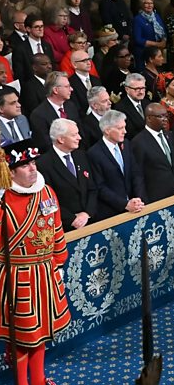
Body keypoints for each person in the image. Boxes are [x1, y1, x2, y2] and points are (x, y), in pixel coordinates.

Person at [0, 139, 71, 385]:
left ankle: (38, 379)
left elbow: (56, 227)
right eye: (25, 165)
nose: (32, 168)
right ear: (10, 171)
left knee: (40, 334)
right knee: (23, 336)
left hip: (45, 272)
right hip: (17, 276)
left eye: (33, 162)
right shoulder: (3, 201)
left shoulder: (47, 191)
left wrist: (60, 260)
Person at [36, 118, 97, 231]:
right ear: (61, 139)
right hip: (66, 227)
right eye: (74, 135)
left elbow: (92, 188)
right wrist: (73, 219)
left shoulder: (81, 156)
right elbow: (47, 201)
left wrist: (87, 214)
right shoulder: (43, 164)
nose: (79, 137)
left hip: (90, 220)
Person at [132, 103, 174, 203]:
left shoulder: (169, 135)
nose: (165, 119)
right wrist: (144, 201)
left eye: (166, 115)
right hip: (156, 198)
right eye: (160, 116)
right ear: (149, 118)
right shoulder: (138, 142)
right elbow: (138, 175)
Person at [29, 71, 83, 153]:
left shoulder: (71, 106)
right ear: (56, 90)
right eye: (67, 86)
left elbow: (81, 133)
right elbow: (45, 144)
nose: (71, 89)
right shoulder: (38, 115)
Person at [132, 0, 167, 72]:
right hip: (143, 53)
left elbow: (164, 32)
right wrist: (157, 44)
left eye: (151, 3)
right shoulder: (138, 19)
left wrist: (164, 41)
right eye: (146, 3)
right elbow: (138, 40)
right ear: (141, 5)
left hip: (157, 53)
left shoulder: (157, 16)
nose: (149, 5)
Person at [114, 73, 149, 141]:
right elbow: (128, 134)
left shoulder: (147, 103)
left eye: (143, 88)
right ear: (127, 89)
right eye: (137, 89)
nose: (141, 92)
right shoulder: (120, 108)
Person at [68, 49, 102, 116]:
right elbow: (75, 108)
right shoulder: (70, 83)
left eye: (89, 59)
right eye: (84, 61)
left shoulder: (96, 80)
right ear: (74, 64)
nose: (89, 63)